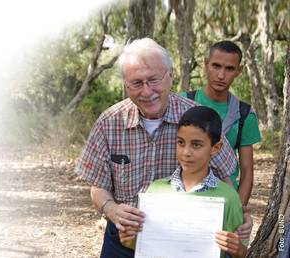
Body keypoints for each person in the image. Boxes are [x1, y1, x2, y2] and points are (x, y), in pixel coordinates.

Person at [75, 38, 248, 258]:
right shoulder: (109, 122)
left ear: (171, 75)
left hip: (187, 242)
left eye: (154, 80)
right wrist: (112, 210)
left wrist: (238, 216)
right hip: (122, 237)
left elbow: (226, 180)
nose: (147, 92)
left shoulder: (197, 119)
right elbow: (98, 187)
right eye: (136, 83)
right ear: (125, 85)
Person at [120, 106, 248, 258]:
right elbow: (145, 243)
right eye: (181, 142)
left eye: (196, 145)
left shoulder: (228, 197)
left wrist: (237, 248)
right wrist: (127, 238)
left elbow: (241, 252)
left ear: (215, 148)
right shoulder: (156, 190)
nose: (186, 152)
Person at [181, 40, 261, 206]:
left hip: (224, 199)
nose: (221, 75)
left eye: (229, 68)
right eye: (216, 66)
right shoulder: (183, 102)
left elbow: (247, 172)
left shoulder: (244, 114)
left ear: (239, 71)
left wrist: (237, 210)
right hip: (185, 197)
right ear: (206, 63)